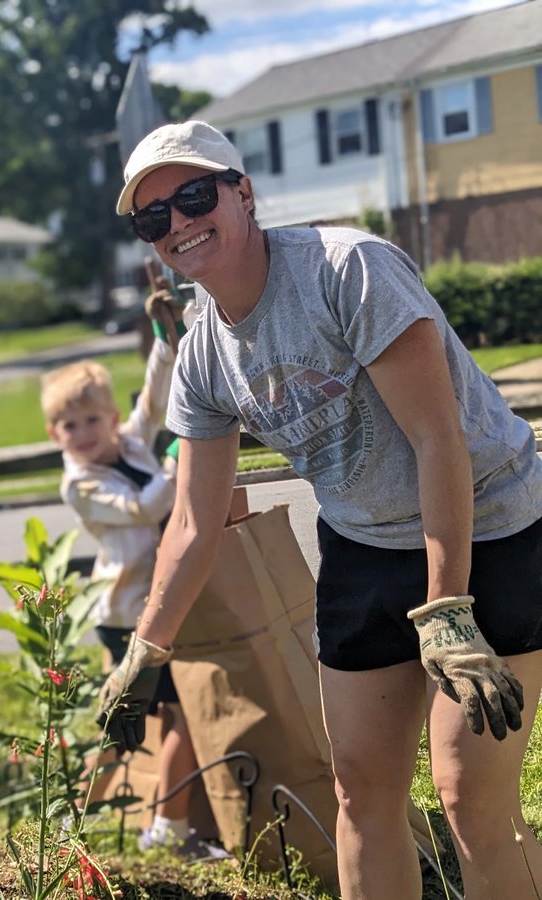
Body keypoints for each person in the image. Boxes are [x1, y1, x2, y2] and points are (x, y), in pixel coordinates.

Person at [97, 119, 542, 898]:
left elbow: (440, 443)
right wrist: (146, 650)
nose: (178, 224)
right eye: (152, 217)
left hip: (490, 521)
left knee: (469, 797)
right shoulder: (202, 354)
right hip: (363, 546)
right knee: (360, 791)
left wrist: (447, 608)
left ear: (244, 192)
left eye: (194, 195)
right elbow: (198, 523)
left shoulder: (346, 269)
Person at [41, 352, 206, 856]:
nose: (84, 432)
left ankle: (73, 822)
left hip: (152, 605)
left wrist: (162, 341)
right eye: (70, 425)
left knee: (127, 724)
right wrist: (181, 456)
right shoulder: (79, 482)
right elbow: (143, 507)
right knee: (171, 718)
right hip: (127, 615)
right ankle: (165, 829)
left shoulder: (129, 443)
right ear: (54, 434)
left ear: (113, 419)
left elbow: (156, 400)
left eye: (93, 419)